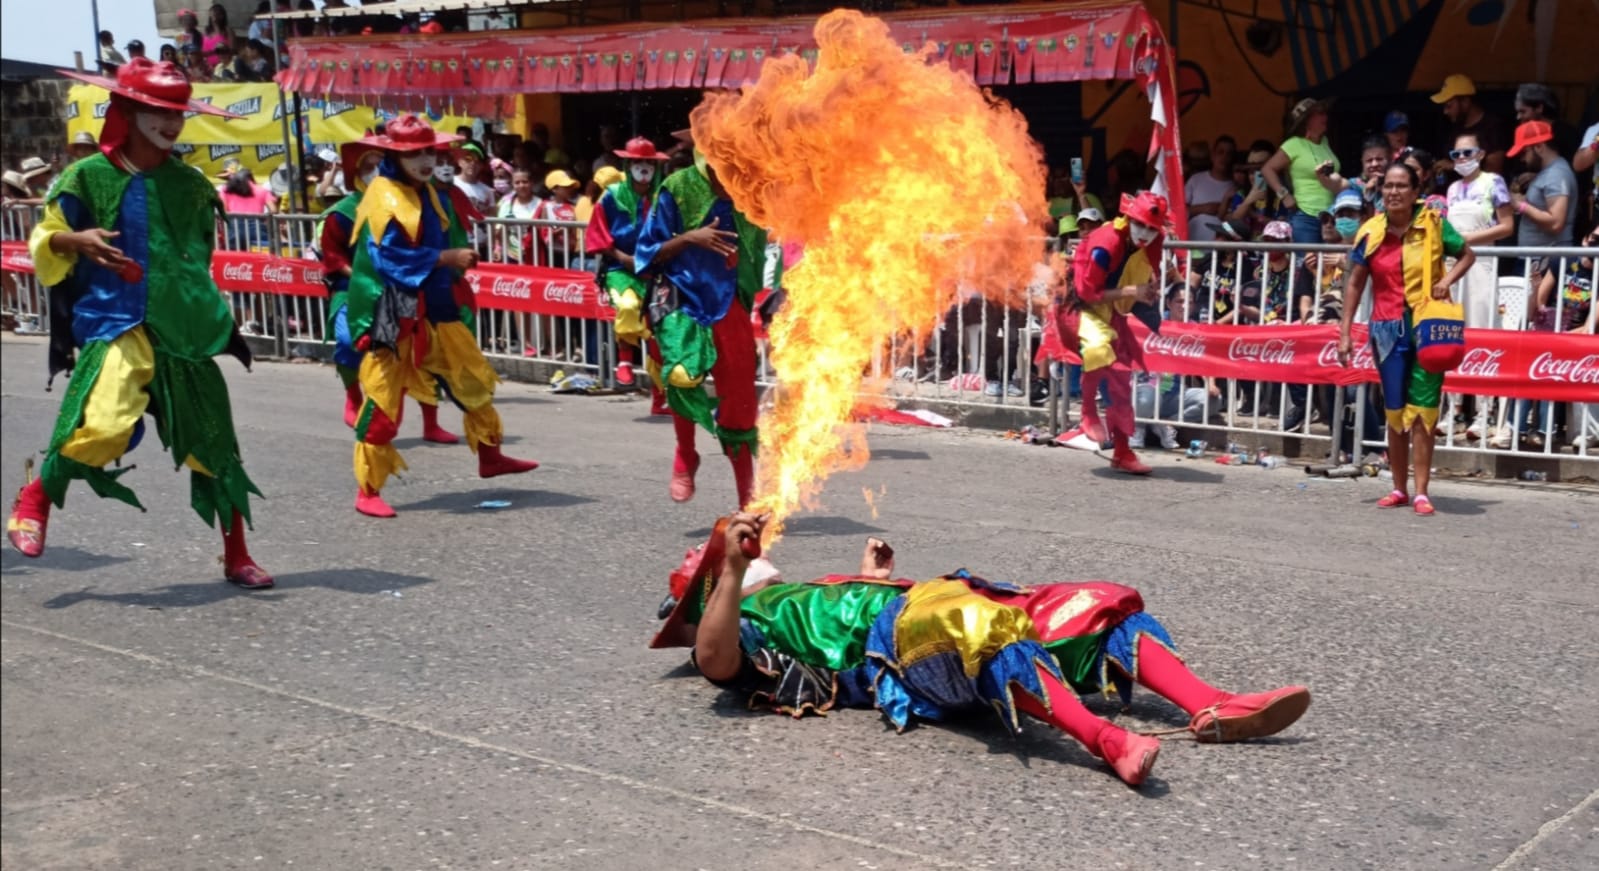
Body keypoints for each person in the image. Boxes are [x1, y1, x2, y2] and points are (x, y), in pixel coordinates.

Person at [655, 514, 1313, 787]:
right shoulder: (748, 616)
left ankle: (1210, 705)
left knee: (1091, 604)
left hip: (921, 611)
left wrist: (871, 574)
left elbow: (840, 617)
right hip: (907, 641)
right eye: (708, 563)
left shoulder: (795, 589)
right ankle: (1104, 738)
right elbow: (719, 663)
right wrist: (732, 580)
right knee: (985, 629)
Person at [6, 58, 272, 588]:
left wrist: (214, 317)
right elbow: (44, 239)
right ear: (127, 110)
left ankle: (236, 553)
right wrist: (72, 241)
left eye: (177, 112)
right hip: (116, 321)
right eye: (157, 110)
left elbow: (198, 255)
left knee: (216, 447)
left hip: (184, 330)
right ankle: (35, 501)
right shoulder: (86, 176)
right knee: (100, 424)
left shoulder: (192, 185)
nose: (171, 123)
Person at [342, 116, 540, 518]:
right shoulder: (383, 195)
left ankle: (491, 455)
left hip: (434, 305)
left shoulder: (431, 192)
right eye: (414, 153)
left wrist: (452, 271)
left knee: (472, 378)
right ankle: (367, 489)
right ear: (396, 157)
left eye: (429, 151)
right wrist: (444, 258)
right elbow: (387, 258)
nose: (424, 160)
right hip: (391, 314)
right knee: (382, 402)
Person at [634, 144, 770, 507]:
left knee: (741, 405)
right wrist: (691, 238)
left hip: (729, 303)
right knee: (680, 373)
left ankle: (747, 500)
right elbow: (646, 252)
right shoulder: (677, 187)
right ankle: (686, 453)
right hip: (681, 299)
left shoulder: (748, 189)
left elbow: (759, 249)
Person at [1338, 161, 1477, 516]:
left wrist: (1447, 282)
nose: (1394, 192)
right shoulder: (1370, 231)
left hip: (1427, 328)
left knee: (1425, 411)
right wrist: (1344, 332)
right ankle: (1399, 488)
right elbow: (1355, 282)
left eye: (1402, 185)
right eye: (1388, 186)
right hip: (1385, 329)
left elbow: (1466, 254)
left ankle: (1422, 491)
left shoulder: (1433, 224)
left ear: (1416, 192)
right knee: (1395, 411)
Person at [319, 141, 459, 444]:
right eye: (367, 167)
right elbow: (333, 258)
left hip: (405, 289)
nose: (374, 172)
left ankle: (431, 422)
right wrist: (363, 278)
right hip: (354, 290)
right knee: (349, 341)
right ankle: (355, 398)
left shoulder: (416, 202)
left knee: (426, 352)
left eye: (378, 165)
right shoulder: (341, 213)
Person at [1050, 191, 1168, 474]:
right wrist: (1132, 292)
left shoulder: (1154, 240)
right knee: (1099, 349)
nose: (1146, 232)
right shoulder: (1106, 244)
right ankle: (1087, 411)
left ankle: (1123, 453)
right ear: (1129, 218)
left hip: (1111, 312)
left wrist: (1149, 291)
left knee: (1120, 383)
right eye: (1141, 224)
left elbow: (1148, 272)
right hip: (1077, 306)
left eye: (1153, 228)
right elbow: (1087, 293)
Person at [1443, 133, 1514, 442]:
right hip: (1453, 265)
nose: (1461, 158)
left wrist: (1467, 239)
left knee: (1482, 334)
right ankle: (1454, 409)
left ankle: (1484, 413)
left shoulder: (1494, 182)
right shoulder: (1452, 188)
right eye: (1455, 153)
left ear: (1481, 153)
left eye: (1467, 152)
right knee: (1451, 334)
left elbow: (1507, 225)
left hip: (1483, 264)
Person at [587, 136, 669, 389]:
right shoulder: (611, 197)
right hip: (620, 268)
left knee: (661, 333)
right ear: (628, 165)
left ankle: (662, 396)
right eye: (637, 161)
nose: (644, 167)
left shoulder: (662, 197)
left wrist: (653, 262)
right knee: (628, 305)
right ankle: (624, 361)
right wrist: (625, 259)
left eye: (649, 162)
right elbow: (598, 235)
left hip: (656, 271)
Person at [1262, 99, 1349, 244]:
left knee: (1328, 263)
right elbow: (1267, 169)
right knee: (1308, 263)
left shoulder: (1325, 142)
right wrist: (1284, 195)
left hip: (1330, 216)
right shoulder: (1294, 144)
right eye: (1320, 113)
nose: (1325, 117)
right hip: (1305, 215)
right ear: (1307, 120)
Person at [1509, 121, 1577, 253]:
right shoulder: (1550, 173)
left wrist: (1518, 205)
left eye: (1524, 152)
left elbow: (1555, 223)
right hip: (1537, 257)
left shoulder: (1556, 174)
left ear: (1539, 147)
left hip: (1545, 260)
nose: (1522, 159)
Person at [1433, 75, 1508, 174]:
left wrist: (1455, 166)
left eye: (1449, 106)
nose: (1445, 112)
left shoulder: (1492, 127)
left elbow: (1494, 170)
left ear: (1465, 101)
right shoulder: (1455, 127)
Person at [1185, 135, 1237, 240]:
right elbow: (1178, 211)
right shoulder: (1195, 180)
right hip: (1192, 245)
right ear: (1212, 155)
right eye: (1220, 152)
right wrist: (1202, 209)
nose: (1224, 157)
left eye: (1229, 154)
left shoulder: (1235, 187)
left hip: (1221, 249)